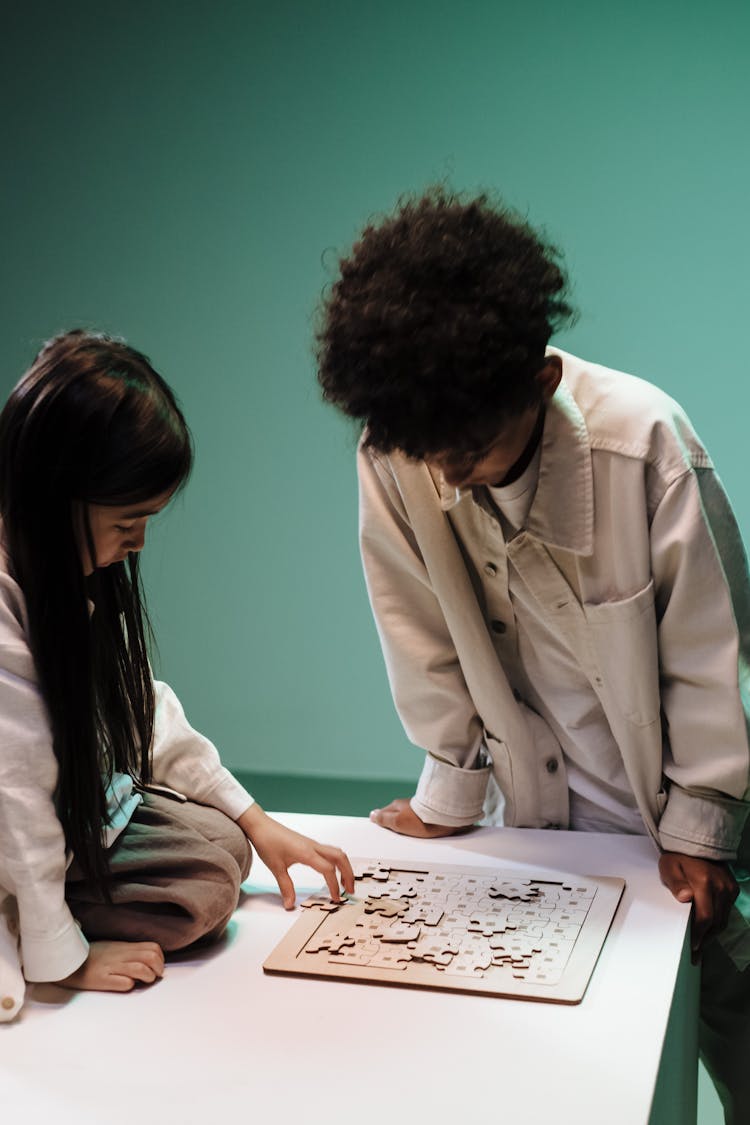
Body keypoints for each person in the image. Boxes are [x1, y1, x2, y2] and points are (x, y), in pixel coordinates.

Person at [316, 188, 750, 1122]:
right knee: (576, 1062)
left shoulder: (646, 444)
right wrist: (448, 796)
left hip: (671, 814)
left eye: (467, 449)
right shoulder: (400, 450)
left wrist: (702, 825)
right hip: (539, 819)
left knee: (733, 1022)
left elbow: (714, 650)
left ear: (541, 383)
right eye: (422, 451)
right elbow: (417, 629)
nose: (441, 474)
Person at [0, 329, 353, 1022]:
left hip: (54, 809)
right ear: (58, 493)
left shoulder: (63, 565)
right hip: (14, 821)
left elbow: (139, 704)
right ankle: (27, 920)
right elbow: (13, 787)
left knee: (224, 847)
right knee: (202, 887)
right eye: (129, 520)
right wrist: (63, 959)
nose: (139, 542)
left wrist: (254, 818)